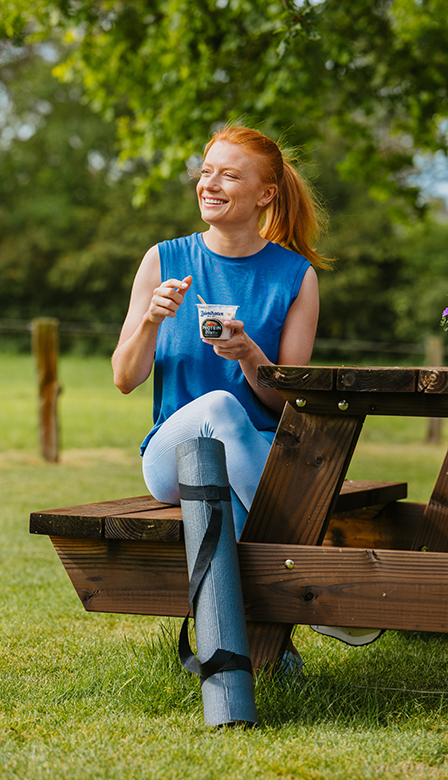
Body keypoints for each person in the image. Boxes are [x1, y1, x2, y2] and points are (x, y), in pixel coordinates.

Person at [112, 125, 331, 541]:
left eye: (229, 175)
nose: (209, 184)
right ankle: (298, 545)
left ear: (266, 194)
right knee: (217, 406)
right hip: (173, 458)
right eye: (206, 171)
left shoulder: (296, 278)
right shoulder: (163, 259)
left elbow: (289, 403)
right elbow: (124, 379)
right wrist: (151, 321)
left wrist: (249, 353)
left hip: (260, 453)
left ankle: (259, 598)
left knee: (229, 525)